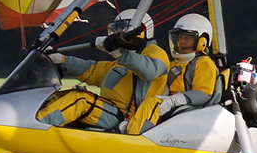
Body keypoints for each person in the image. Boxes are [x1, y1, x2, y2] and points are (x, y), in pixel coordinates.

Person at [37, 9, 169, 134]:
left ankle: (37, 129)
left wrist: (119, 53)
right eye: (116, 30)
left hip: (125, 118)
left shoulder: (155, 52)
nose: (119, 34)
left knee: (80, 100)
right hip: (108, 110)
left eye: (123, 29)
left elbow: (151, 71)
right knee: (59, 96)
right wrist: (61, 60)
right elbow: (91, 70)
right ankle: (34, 123)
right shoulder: (119, 63)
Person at [157, 13, 220, 117]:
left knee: (151, 105)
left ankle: (133, 132)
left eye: (187, 38)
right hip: (170, 107)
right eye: (180, 38)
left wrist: (174, 100)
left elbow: (203, 94)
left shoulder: (203, 63)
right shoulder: (173, 63)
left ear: (202, 42)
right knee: (150, 103)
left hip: (187, 111)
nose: (181, 42)